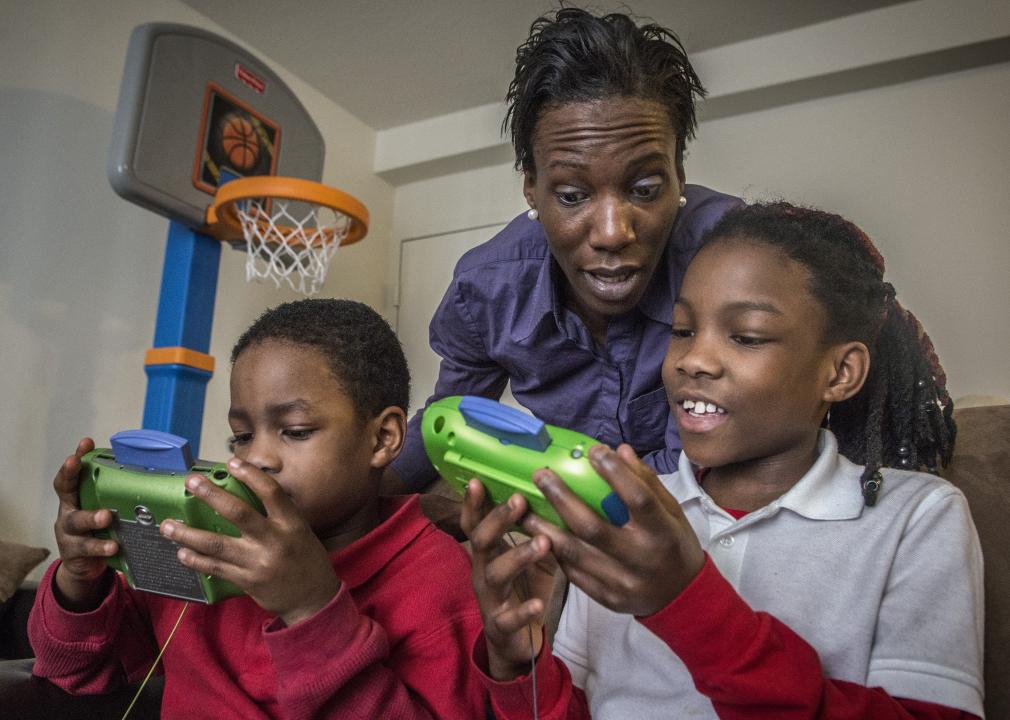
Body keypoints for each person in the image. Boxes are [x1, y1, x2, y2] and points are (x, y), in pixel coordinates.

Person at [463, 203, 983, 719]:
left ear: (840, 372)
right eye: (683, 330)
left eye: (747, 336)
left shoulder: (916, 515)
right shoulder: (626, 507)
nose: (693, 360)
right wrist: (518, 667)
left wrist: (685, 599)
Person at [29, 299, 486, 719]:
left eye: (297, 430)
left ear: (383, 438)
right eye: (242, 436)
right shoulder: (204, 545)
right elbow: (74, 674)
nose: (258, 458)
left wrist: (311, 608)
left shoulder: (435, 579)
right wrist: (80, 583)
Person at [389, 8, 742, 500]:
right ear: (532, 189)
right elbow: (452, 418)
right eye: (573, 196)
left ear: (679, 175)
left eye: (644, 188)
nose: (613, 233)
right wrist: (358, 500)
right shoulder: (487, 292)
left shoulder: (734, 254)